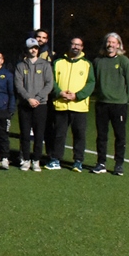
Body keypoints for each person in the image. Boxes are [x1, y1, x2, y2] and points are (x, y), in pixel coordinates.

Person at [46, 37, 96, 172]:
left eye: (78, 45)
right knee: (59, 134)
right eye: (73, 44)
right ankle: (55, 159)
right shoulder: (58, 62)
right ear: (69, 45)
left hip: (79, 107)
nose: (75, 47)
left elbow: (91, 83)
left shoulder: (87, 64)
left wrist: (77, 96)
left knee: (79, 135)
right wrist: (59, 92)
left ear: (82, 47)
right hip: (61, 105)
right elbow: (51, 80)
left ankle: (78, 161)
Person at [92, 32, 129, 176]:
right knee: (101, 136)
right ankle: (101, 163)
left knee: (120, 136)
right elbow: (93, 81)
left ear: (118, 45)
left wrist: (123, 98)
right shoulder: (98, 61)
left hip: (119, 105)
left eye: (113, 42)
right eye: (108, 42)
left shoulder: (124, 61)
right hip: (102, 104)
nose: (110, 45)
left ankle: (119, 164)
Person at [15, 37, 53, 172]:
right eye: (31, 48)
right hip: (25, 105)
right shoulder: (20, 66)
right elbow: (18, 85)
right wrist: (28, 98)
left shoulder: (45, 65)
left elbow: (49, 84)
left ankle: (36, 160)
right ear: (26, 50)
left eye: (35, 48)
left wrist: (37, 98)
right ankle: (26, 159)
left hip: (40, 105)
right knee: (25, 134)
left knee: (39, 134)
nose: (33, 50)